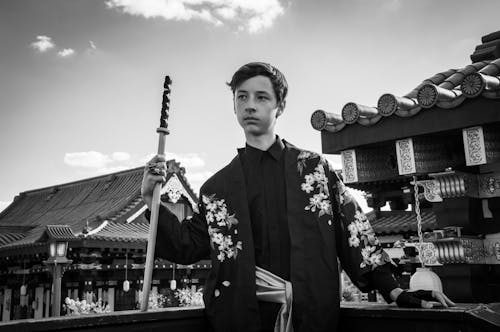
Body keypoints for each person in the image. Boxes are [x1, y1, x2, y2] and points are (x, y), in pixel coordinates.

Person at [141, 62, 454, 332]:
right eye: (242, 97)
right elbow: (186, 245)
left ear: (280, 106)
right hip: (237, 318)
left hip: (311, 315)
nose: (250, 105)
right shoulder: (217, 188)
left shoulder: (315, 171)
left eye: (261, 97)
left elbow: (354, 234)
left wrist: (395, 291)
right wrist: (148, 197)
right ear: (234, 106)